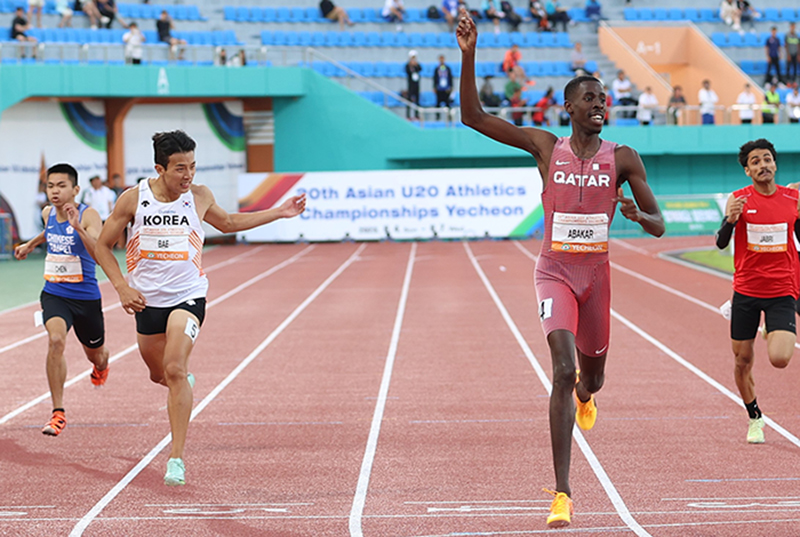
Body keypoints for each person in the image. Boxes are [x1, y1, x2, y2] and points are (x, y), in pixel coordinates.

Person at [457, 8, 664, 529]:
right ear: (568, 106)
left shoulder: (625, 158)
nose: (600, 103)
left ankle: (587, 396)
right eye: (590, 98)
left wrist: (640, 215)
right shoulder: (545, 146)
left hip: (598, 278)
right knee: (563, 369)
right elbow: (474, 117)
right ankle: (563, 493)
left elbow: (659, 224)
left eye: (603, 98)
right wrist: (468, 55)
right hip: (554, 273)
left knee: (590, 378)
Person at [93, 131, 306, 486]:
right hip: (146, 301)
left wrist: (280, 212)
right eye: (179, 169)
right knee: (158, 374)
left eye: (192, 166)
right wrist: (122, 288)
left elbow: (230, 223)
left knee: (175, 369)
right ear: (160, 168)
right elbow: (102, 246)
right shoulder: (134, 200)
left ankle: (176, 458)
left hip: (188, 296)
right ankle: (181, 385)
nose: (188, 175)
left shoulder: (199, 196)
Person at [13, 163, 110, 437]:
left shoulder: (89, 215)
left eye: (61, 186)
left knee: (97, 355)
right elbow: (50, 232)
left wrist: (78, 228)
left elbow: (98, 253)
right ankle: (58, 412)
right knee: (56, 341)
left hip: (87, 297)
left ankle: (101, 365)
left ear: (75, 189)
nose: (55, 191)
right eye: (50, 186)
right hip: (55, 293)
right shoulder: (47, 213)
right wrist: (31, 244)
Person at [714, 138, 800, 445]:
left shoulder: (793, 198)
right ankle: (755, 417)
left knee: (779, 359)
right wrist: (730, 219)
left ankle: (771, 330)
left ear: (775, 164)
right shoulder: (738, 199)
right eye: (755, 162)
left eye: (767, 159)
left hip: (782, 290)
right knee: (742, 361)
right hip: (747, 291)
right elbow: (722, 242)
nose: (762, 165)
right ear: (748, 171)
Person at [433, 54, 453, 119]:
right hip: (439, 89)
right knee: (438, 103)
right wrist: (434, 87)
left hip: (446, 89)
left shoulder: (448, 69)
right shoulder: (437, 69)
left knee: (448, 104)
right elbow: (435, 78)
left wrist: (451, 87)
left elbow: (450, 78)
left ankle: (449, 117)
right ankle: (437, 117)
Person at [405, 50, 421, 120]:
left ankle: (416, 115)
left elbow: (420, 69)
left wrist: (415, 64)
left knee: (417, 101)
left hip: (416, 85)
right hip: (410, 85)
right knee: (409, 101)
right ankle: (408, 115)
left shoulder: (417, 65)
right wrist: (410, 64)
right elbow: (407, 71)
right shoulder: (408, 66)